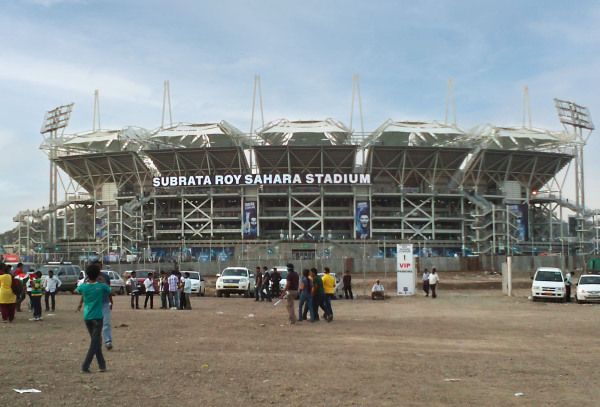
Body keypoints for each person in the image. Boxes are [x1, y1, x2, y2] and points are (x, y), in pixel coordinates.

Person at [77, 264, 111, 373]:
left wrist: (86, 283)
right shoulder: (101, 286)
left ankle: (102, 364)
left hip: (87, 316)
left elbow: (76, 290)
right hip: (97, 317)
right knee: (95, 342)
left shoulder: (84, 286)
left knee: (96, 341)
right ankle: (85, 366)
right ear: (98, 275)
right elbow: (111, 291)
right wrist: (103, 282)